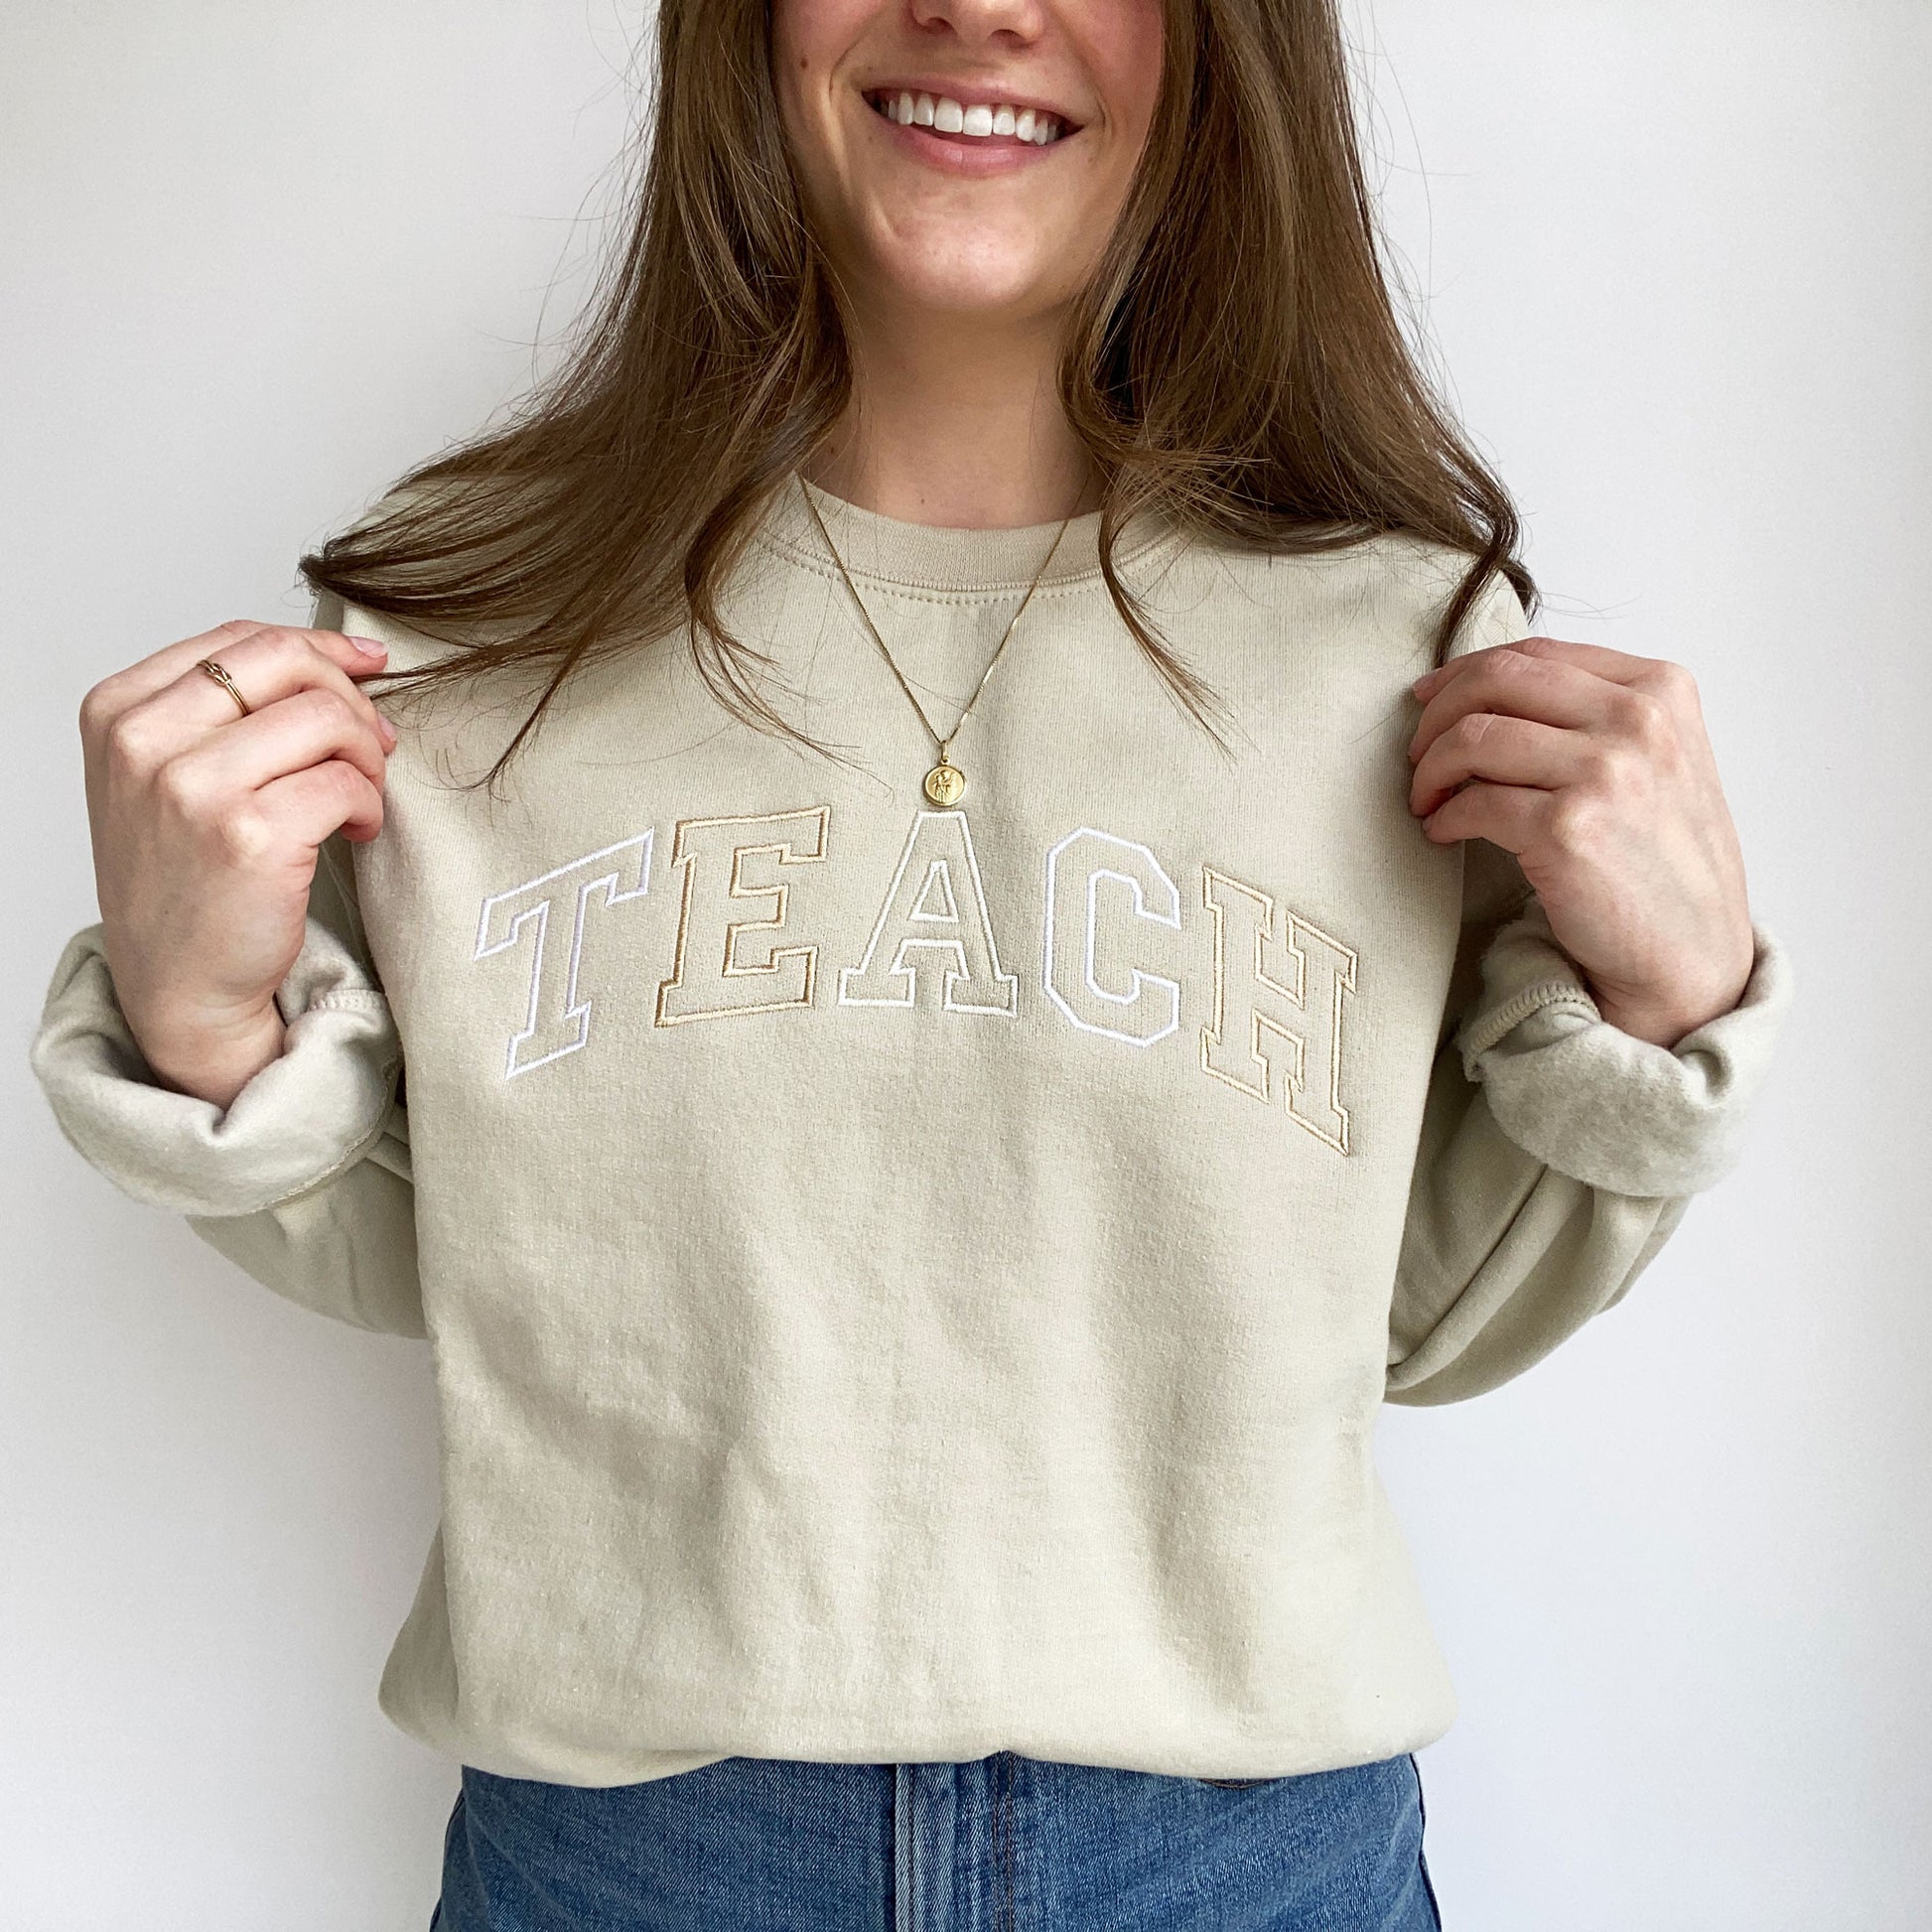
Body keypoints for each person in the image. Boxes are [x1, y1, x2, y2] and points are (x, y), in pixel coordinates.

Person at [30, 0, 1793, 1926]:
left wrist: (1664, 1004)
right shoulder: (471, 624)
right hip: (637, 1856)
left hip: (1242, 1857)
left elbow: (1416, 1313)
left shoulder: (1397, 648)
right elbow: (472, 1271)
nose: (980, 7)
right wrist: (199, 1016)